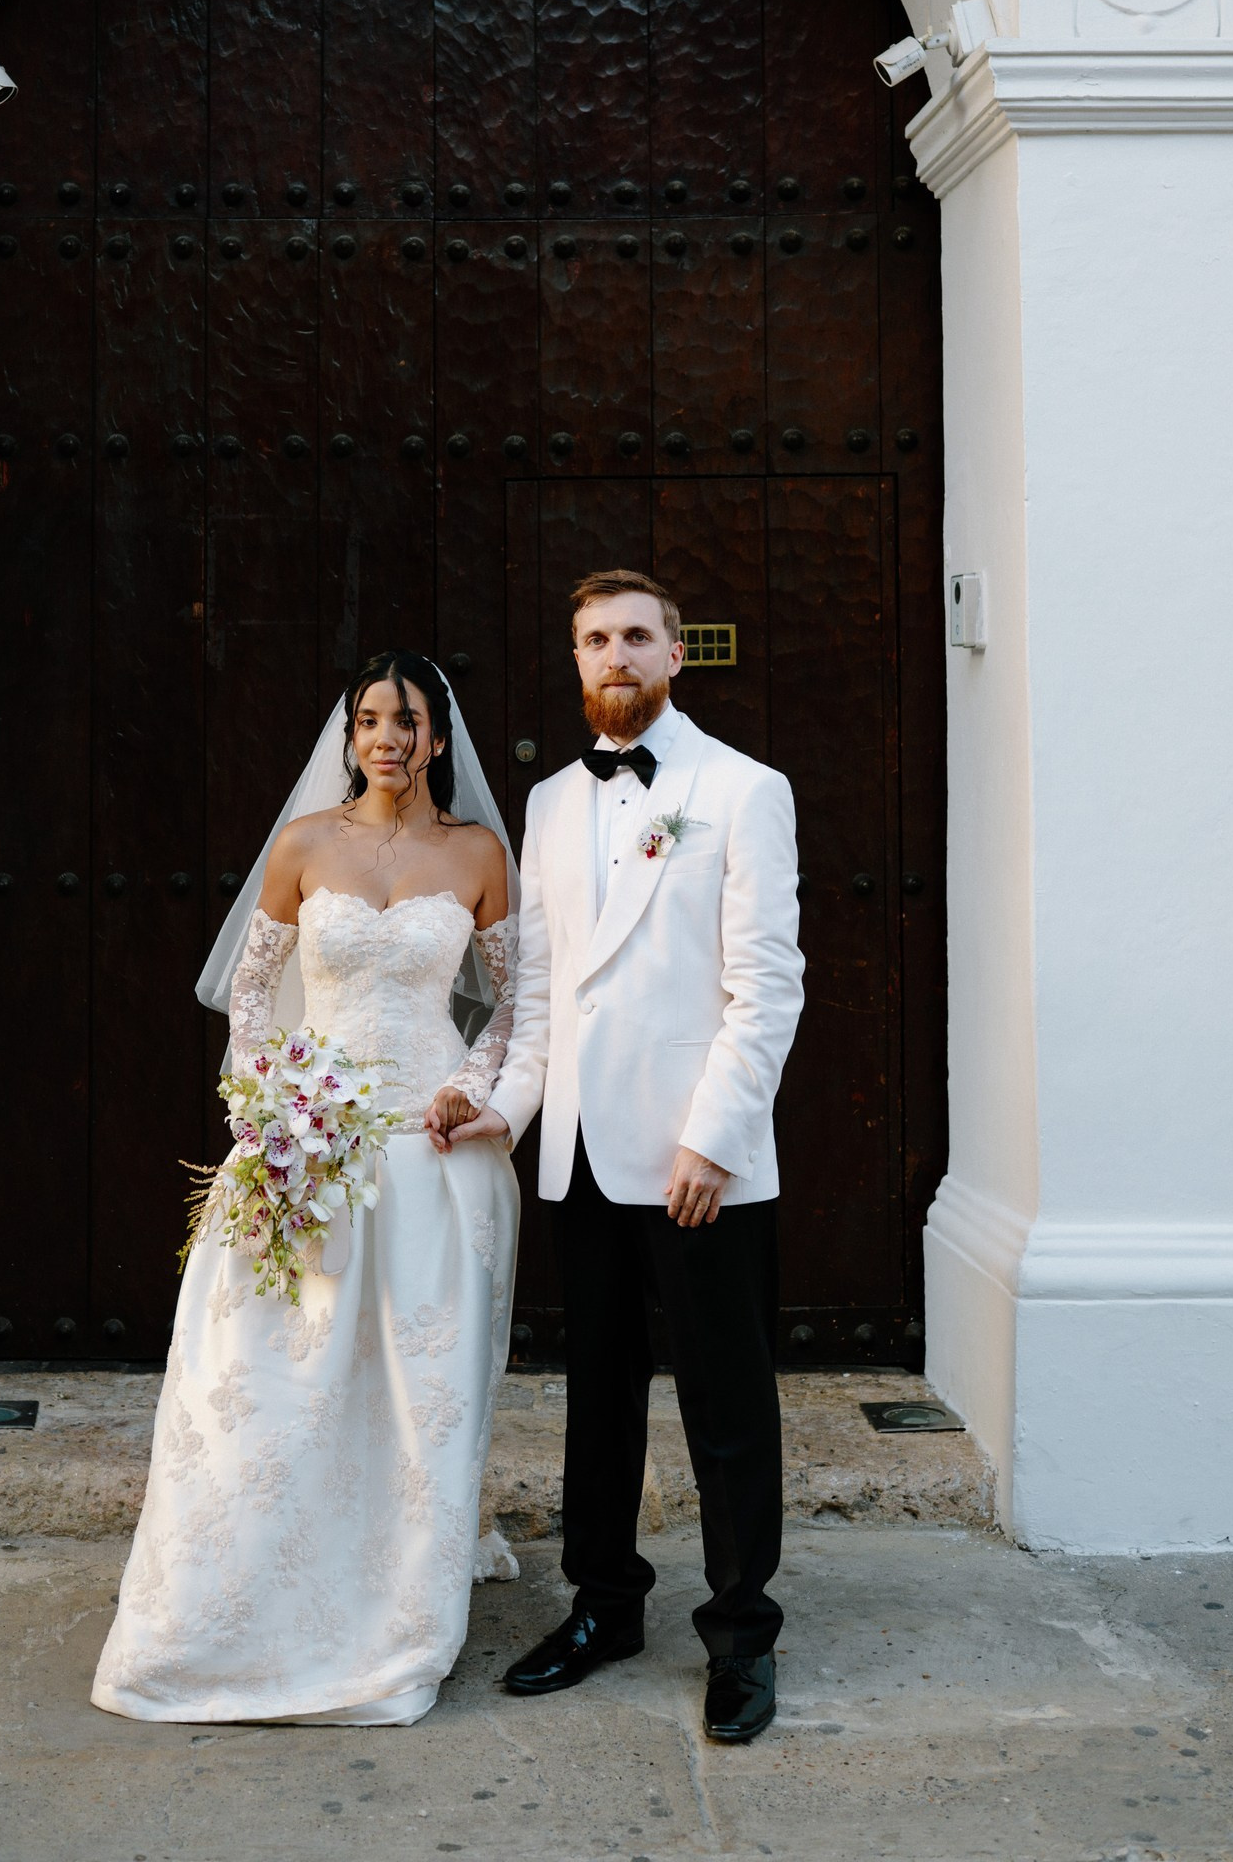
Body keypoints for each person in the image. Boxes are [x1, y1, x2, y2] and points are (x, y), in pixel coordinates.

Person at [91, 652, 520, 1727]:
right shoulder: (303, 844)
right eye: (369, 720)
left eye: (407, 721)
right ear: (350, 735)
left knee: (417, 1384)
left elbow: (514, 1006)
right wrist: (270, 1113)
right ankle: (238, 1595)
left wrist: (470, 1086)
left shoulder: (477, 855)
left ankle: (396, 1598)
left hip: (432, 1151)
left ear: (437, 738)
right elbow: (251, 994)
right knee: (271, 1371)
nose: (387, 739)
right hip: (309, 1141)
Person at [451, 569, 804, 1745]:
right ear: (577, 657)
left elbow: (767, 987)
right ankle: (604, 1607)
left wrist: (715, 1136)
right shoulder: (551, 800)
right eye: (596, 638)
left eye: (637, 636)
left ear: (674, 654)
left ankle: (742, 1635)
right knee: (598, 1401)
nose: (617, 655)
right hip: (585, 1154)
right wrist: (509, 1107)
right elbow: (544, 986)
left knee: (726, 1403)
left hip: (699, 1160)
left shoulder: (743, 789)